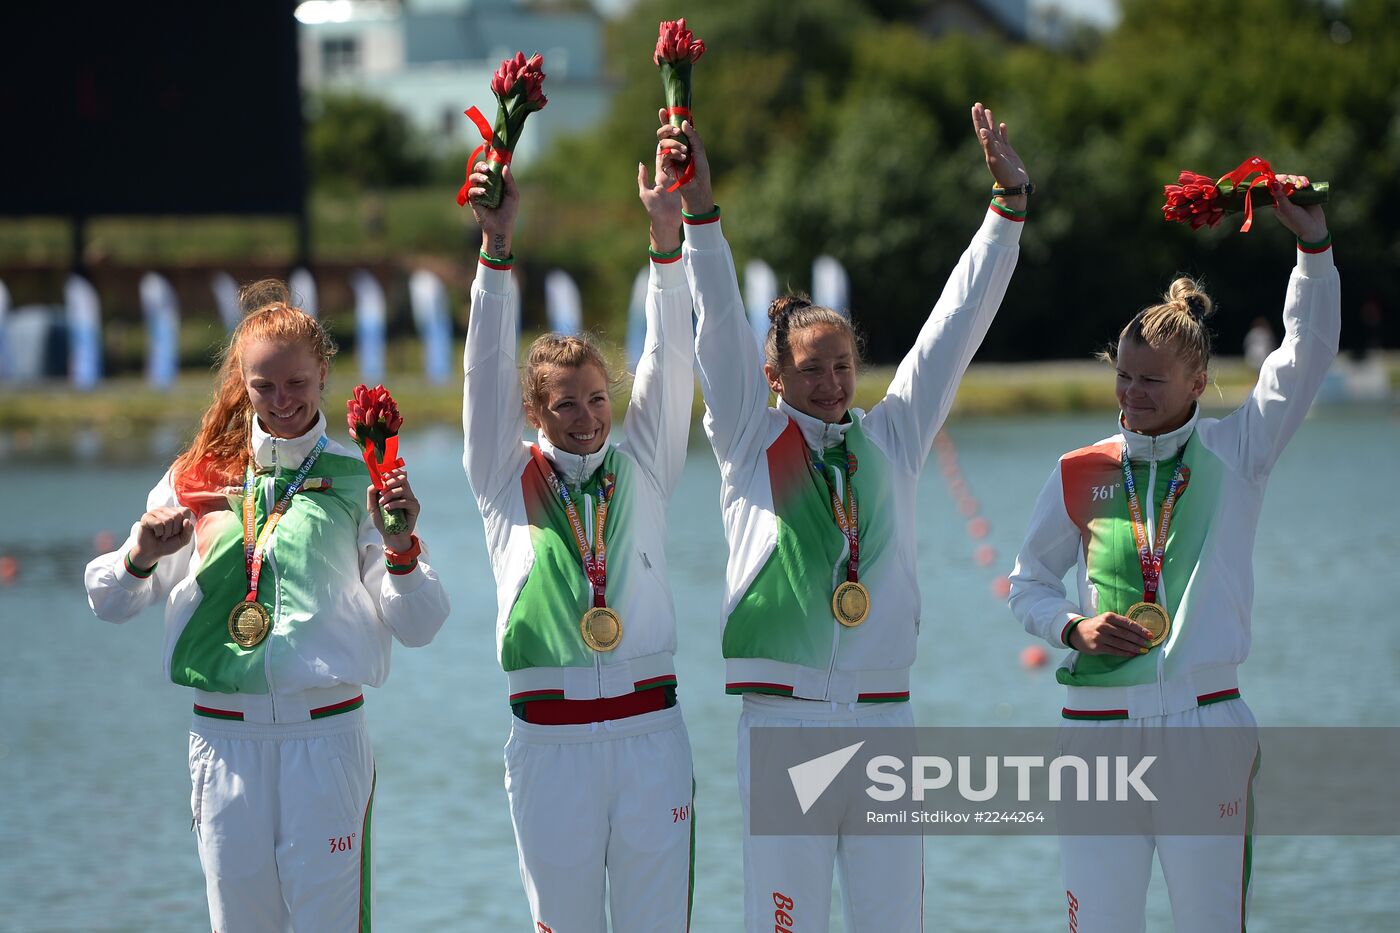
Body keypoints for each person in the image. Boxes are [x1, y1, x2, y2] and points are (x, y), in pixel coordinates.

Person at [663, 102, 1029, 931]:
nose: (831, 382)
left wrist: (1005, 212)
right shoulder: (749, 437)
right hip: (783, 721)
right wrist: (700, 210)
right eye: (811, 368)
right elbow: (718, 321)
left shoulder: (894, 435)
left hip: (884, 719)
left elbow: (953, 327)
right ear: (775, 373)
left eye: (842, 364)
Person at [1007, 178, 1337, 932]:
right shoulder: (1081, 467)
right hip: (1097, 733)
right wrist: (1070, 629)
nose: (1131, 394)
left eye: (1151, 381)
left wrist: (1312, 250)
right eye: (1122, 375)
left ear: (1197, 381)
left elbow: (1307, 353)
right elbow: (1027, 581)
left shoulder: (1239, 450)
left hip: (1206, 727)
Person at [83, 280, 450, 932]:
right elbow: (112, 602)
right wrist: (138, 553)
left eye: (297, 383)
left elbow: (420, 625)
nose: (283, 401)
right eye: (265, 386)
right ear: (242, 384)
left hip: (326, 737)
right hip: (223, 742)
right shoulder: (194, 477)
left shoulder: (358, 477)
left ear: (323, 375)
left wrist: (401, 549)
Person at [460, 153, 697, 931]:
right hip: (549, 745)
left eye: (597, 399)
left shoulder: (643, 470)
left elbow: (668, 361)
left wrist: (667, 240)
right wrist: (497, 250)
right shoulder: (503, 477)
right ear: (535, 408)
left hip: (649, 735)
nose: (588, 417)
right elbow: (484, 366)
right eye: (566, 405)